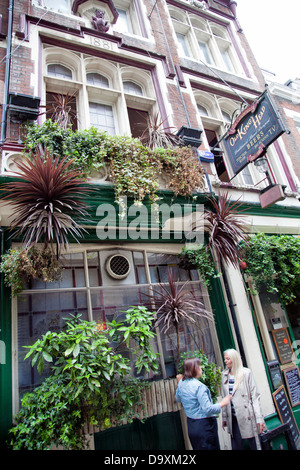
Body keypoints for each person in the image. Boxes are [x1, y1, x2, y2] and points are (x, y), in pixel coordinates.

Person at [175, 357, 232, 450]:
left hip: (192, 426)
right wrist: (222, 403)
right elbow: (208, 409)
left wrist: (179, 383)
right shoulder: (199, 387)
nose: (201, 368)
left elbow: (177, 398)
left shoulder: (182, 383)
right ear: (194, 369)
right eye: (199, 366)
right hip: (205, 426)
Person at [221, 349, 265, 450]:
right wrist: (224, 417)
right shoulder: (224, 375)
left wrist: (259, 418)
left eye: (228, 359)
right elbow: (224, 397)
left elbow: (255, 397)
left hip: (247, 416)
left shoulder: (246, 373)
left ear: (234, 359)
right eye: (225, 359)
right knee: (236, 446)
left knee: (254, 445)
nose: (225, 361)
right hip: (233, 418)